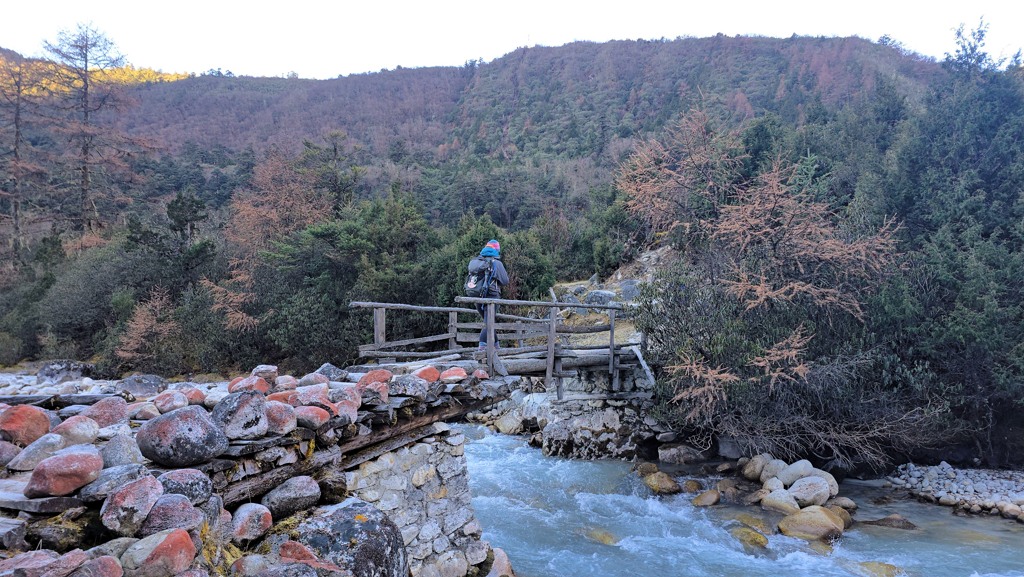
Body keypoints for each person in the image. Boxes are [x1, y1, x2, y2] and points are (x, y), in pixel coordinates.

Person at [468, 239, 509, 349]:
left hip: (476, 295)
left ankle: (496, 345)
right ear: (496, 250)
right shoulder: (496, 263)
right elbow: (505, 281)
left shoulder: (476, 261)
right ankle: (482, 346)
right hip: (491, 296)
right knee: (488, 322)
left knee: (488, 320)